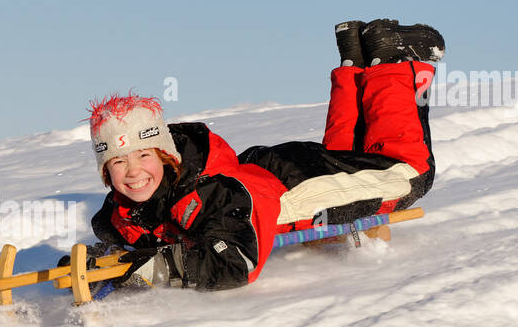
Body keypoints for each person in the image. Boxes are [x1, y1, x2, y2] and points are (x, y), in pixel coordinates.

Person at [83, 18, 444, 291]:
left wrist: (162, 269)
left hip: (294, 187)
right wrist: (100, 264)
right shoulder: (120, 211)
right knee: (349, 159)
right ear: (105, 173)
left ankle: (394, 60)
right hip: (264, 173)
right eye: (117, 162)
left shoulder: (212, 195)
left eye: (143, 157)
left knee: (408, 172)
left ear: (166, 157)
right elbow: (130, 238)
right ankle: (359, 60)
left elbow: (237, 262)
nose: (132, 172)